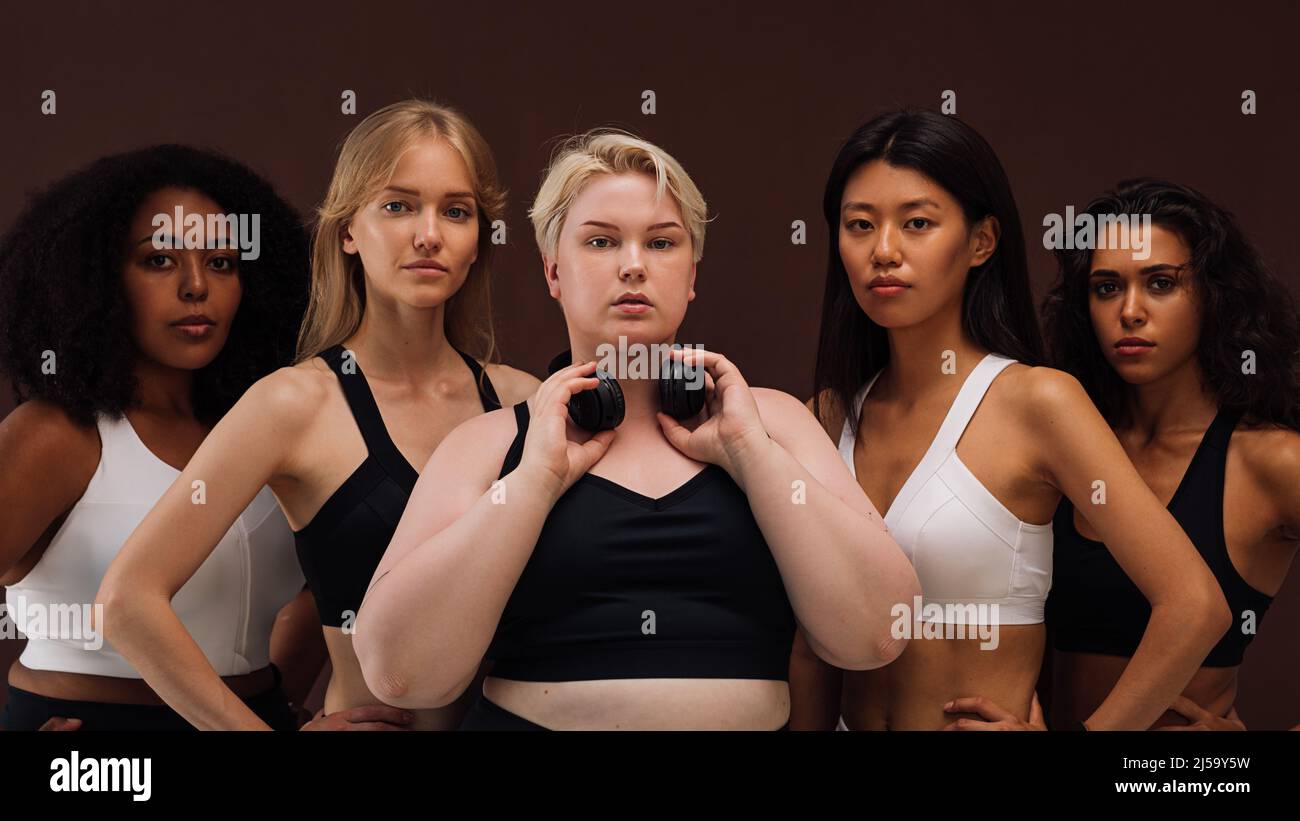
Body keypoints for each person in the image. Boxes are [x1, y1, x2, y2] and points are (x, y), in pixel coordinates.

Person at [353, 129, 920, 730]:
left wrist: (751, 454)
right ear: (552, 271)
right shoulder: (489, 444)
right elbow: (399, 673)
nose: (632, 265)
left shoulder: (774, 423)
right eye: (600, 242)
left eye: (661, 243)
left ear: (692, 272)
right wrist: (534, 483)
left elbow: (878, 636)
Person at [96, 100, 538, 730]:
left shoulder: (525, 402)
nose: (429, 234)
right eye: (398, 205)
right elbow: (125, 602)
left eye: (456, 212)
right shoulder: (293, 405)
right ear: (348, 231)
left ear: (478, 243)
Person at [795, 110, 1230, 731]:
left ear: (981, 241)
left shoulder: (1037, 403)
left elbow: (1195, 606)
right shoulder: (825, 418)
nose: (883, 251)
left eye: (917, 223)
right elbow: (811, 645)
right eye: (859, 225)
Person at [0, 145, 320, 730]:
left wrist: (274, 709)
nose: (197, 286)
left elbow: (326, 587)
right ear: (97, 279)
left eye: (222, 262)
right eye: (159, 261)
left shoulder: (270, 426)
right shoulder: (56, 437)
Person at [1039, 178, 1300, 729]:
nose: (1130, 311)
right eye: (1107, 287)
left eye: (1160, 283)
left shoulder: (1269, 460)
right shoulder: (1065, 444)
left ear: (1214, 295)